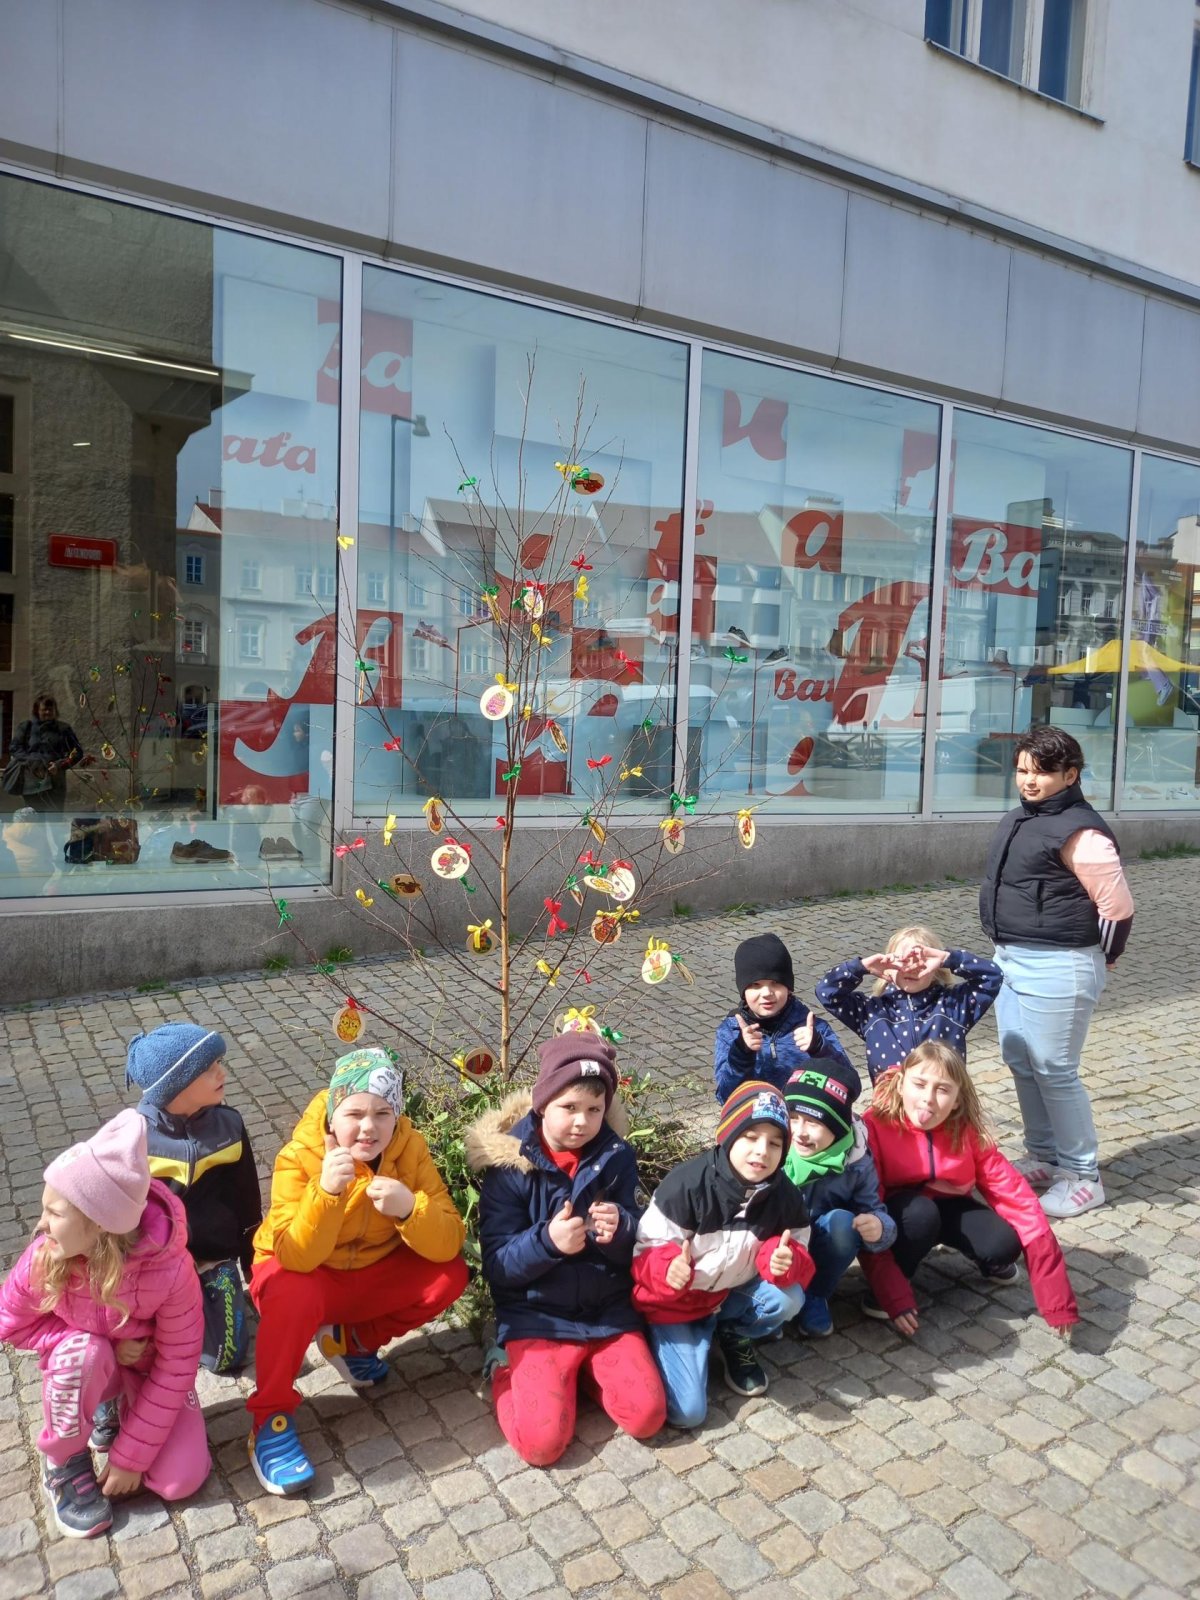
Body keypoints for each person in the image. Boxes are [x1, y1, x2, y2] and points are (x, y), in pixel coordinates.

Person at [246, 1048, 467, 1496]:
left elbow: (449, 1241)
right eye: (354, 1114)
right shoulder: (300, 1155)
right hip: (307, 1273)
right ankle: (271, 1420)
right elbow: (294, 1256)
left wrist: (410, 1209)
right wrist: (327, 1193)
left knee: (450, 1275)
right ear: (333, 1114)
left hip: (368, 1273)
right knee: (290, 1291)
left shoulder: (410, 1147)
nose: (369, 1127)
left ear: (397, 1115)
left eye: (383, 1114)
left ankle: (352, 1341)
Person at [0, 1109, 209, 1539]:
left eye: (54, 1213)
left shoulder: (171, 1269)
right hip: (96, 1363)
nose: (40, 1225)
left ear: (99, 1223)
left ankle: (115, 1411)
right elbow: (10, 1325)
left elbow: (178, 1364)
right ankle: (64, 1460)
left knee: (180, 1480)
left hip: (147, 1371)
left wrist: (131, 1457)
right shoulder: (46, 1257)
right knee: (84, 1354)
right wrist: (106, 1347)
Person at [465, 1034, 666, 1466]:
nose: (582, 1122)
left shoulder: (615, 1156)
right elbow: (498, 1266)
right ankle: (502, 1370)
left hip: (607, 1314)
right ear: (543, 1104)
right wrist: (548, 1243)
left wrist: (622, 1229)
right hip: (538, 1318)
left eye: (594, 1109)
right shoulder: (510, 1168)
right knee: (542, 1445)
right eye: (569, 1107)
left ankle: (581, 1378)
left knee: (647, 1416)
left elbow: (639, 1237)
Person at [980, 726, 1134, 1218]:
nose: (1029, 780)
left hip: (1060, 964)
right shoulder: (1021, 818)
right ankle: (1044, 1156)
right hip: (1010, 959)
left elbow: (1117, 909)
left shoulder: (1082, 832)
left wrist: (1103, 957)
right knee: (1021, 1059)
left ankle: (1083, 1176)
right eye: (1022, 770)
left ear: (1070, 775)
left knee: (1055, 1070)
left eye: (1042, 772)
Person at [859, 1044, 1078, 1338]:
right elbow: (866, 1206)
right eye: (919, 1084)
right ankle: (892, 1280)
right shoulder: (874, 1124)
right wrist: (892, 1294)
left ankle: (988, 1261)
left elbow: (1018, 1200)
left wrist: (1057, 1299)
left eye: (942, 1089)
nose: (928, 1098)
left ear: (957, 1100)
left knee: (1004, 1244)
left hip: (950, 1205)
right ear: (901, 1084)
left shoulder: (966, 1131)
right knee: (921, 1214)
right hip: (901, 1213)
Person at [632, 1081, 814, 1426]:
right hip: (678, 1304)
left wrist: (782, 1260)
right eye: (750, 1137)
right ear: (728, 1135)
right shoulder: (686, 1185)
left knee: (789, 1297)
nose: (762, 1151)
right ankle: (659, 1341)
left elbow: (800, 1252)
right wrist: (667, 1269)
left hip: (729, 1294)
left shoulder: (786, 1196)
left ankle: (733, 1333)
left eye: (775, 1143)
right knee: (688, 1414)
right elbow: (644, 1250)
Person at [125, 1023, 262, 1374]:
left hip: (213, 1259)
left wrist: (253, 1261)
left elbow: (247, 1199)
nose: (222, 1073)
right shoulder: (134, 1139)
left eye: (219, 1063)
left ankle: (207, 1299)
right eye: (209, 1068)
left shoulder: (229, 1126)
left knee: (226, 1357)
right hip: (157, 1266)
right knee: (146, 1351)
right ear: (176, 1085)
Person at [781, 1064, 895, 1338]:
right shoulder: (773, 1145)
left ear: (838, 1126)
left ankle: (815, 1294)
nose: (800, 1132)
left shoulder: (856, 1163)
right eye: (793, 1118)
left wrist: (879, 1226)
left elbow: (875, 1209)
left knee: (844, 1225)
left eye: (813, 1122)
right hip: (776, 1239)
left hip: (819, 1237)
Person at [815, 925, 1002, 1083]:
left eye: (921, 962)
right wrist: (861, 967)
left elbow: (992, 976)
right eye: (902, 960)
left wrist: (949, 959)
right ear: (888, 964)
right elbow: (827, 992)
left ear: (936, 968)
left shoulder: (952, 1005)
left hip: (942, 1107)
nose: (911, 968)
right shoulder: (872, 1011)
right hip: (889, 1109)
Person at [714, 932, 854, 1103]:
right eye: (756, 985)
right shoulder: (731, 1031)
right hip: (757, 1119)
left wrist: (819, 1048)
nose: (767, 993)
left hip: (805, 1118)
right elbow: (725, 1097)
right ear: (743, 991)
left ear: (789, 987)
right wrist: (741, 1054)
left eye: (776, 983)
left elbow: (850, 1087)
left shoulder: (814, 1029)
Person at [5, 694, 83, 812]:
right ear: (37, 710)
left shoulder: (64, 729)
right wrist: (32, 762)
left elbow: (77, 752)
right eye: (44, 709)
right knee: (34, 818)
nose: (47, 712)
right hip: (31, 781)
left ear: (55, 710)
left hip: (55, 782)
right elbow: (15, 748)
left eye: (50, 709)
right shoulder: (26, 727)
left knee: (54, 818)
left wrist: (59, 765)